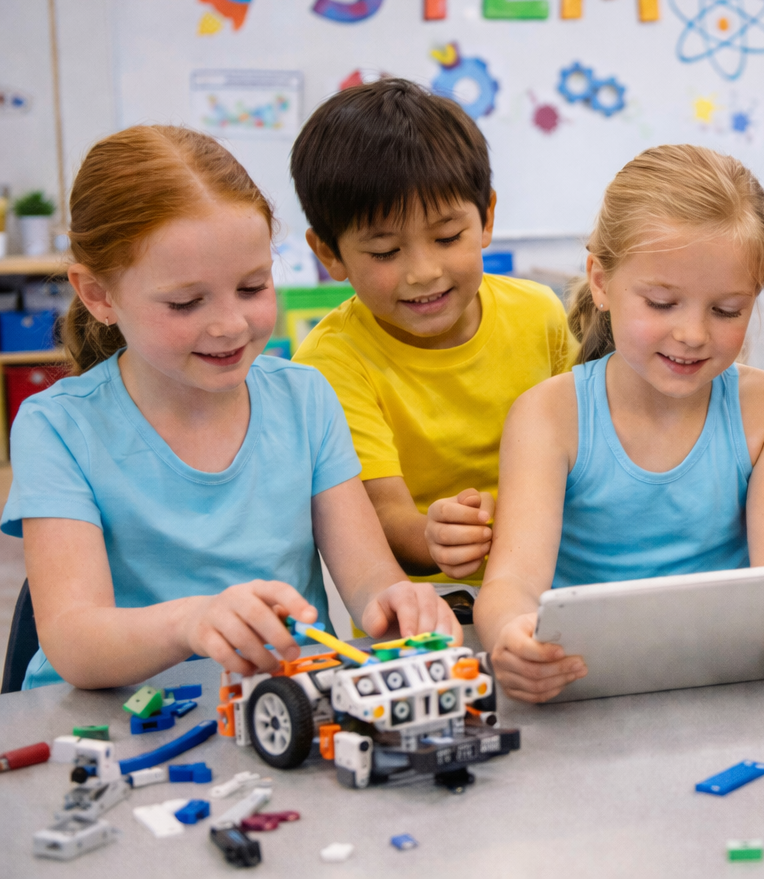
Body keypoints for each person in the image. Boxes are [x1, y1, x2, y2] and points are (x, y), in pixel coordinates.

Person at [2, 126, 458, 690]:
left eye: (252, 287)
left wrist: (399, 603)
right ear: (98, 295)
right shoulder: (59, 427)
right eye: (186, 302)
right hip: (108, 724)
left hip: (273, 706)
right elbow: (75, 642)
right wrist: (190, 622)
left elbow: (368, 578)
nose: (230, 326)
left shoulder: (305, 398)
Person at [474, 145, 764, 703]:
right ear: (600, 283)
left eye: (726, 311)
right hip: (583, 695)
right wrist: (510, 635)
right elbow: (511, 584)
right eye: (660, 303)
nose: (694, 334)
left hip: (731, 692)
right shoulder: (548, 416)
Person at [293, 79, 575, 586]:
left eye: (447, 237)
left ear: (486, 217)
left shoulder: (539, 312)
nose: (423, 272)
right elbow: (380, 517)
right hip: (432, 618)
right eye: (384, 251)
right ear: (329, 253)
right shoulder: (328, 363)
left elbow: (587, 449)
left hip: (556, 590)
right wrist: (432, 537)